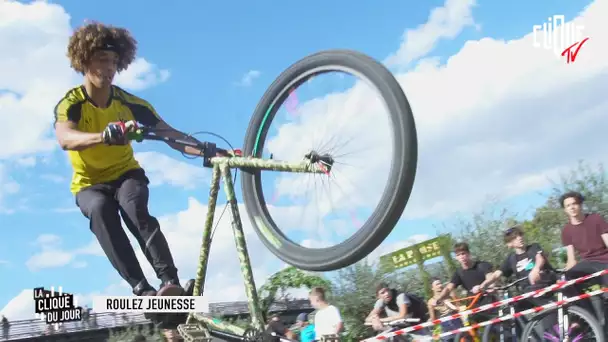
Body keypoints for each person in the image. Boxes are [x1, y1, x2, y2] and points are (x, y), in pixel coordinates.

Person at [53, 22, 199, 300]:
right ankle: (141, 288)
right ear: (84, 61)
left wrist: (206, 150)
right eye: (102, 60)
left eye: (114, 62)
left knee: (133, 206)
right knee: (99, 210)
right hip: (89, 184)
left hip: (125, 174)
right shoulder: (71, 103)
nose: (109, 68)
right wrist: (104, 135)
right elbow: (65, 138)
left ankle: (170, 282)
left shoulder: (130, 103)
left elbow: (170, 135)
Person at [559, 191, 608, 297]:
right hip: (588, 263)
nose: (571, 207)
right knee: (567, 281)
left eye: (574, 204)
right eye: (568, 205)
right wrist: (563, 275)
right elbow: (571, 260)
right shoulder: (566, 231)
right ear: (565, 210)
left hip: (605, 260)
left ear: (580, 205)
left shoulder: (596, 219)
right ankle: (586, 311)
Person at [431, 243, 496, 312]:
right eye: (458, 255)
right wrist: (439, 298)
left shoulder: (482, 265)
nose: (461, 257)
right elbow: (448, 288)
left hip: (490, 302)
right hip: (473, 306)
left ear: (469, 254)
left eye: (463, 253)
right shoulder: (459, 273)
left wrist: (483, 286)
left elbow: (491, 279)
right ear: (456, 258)